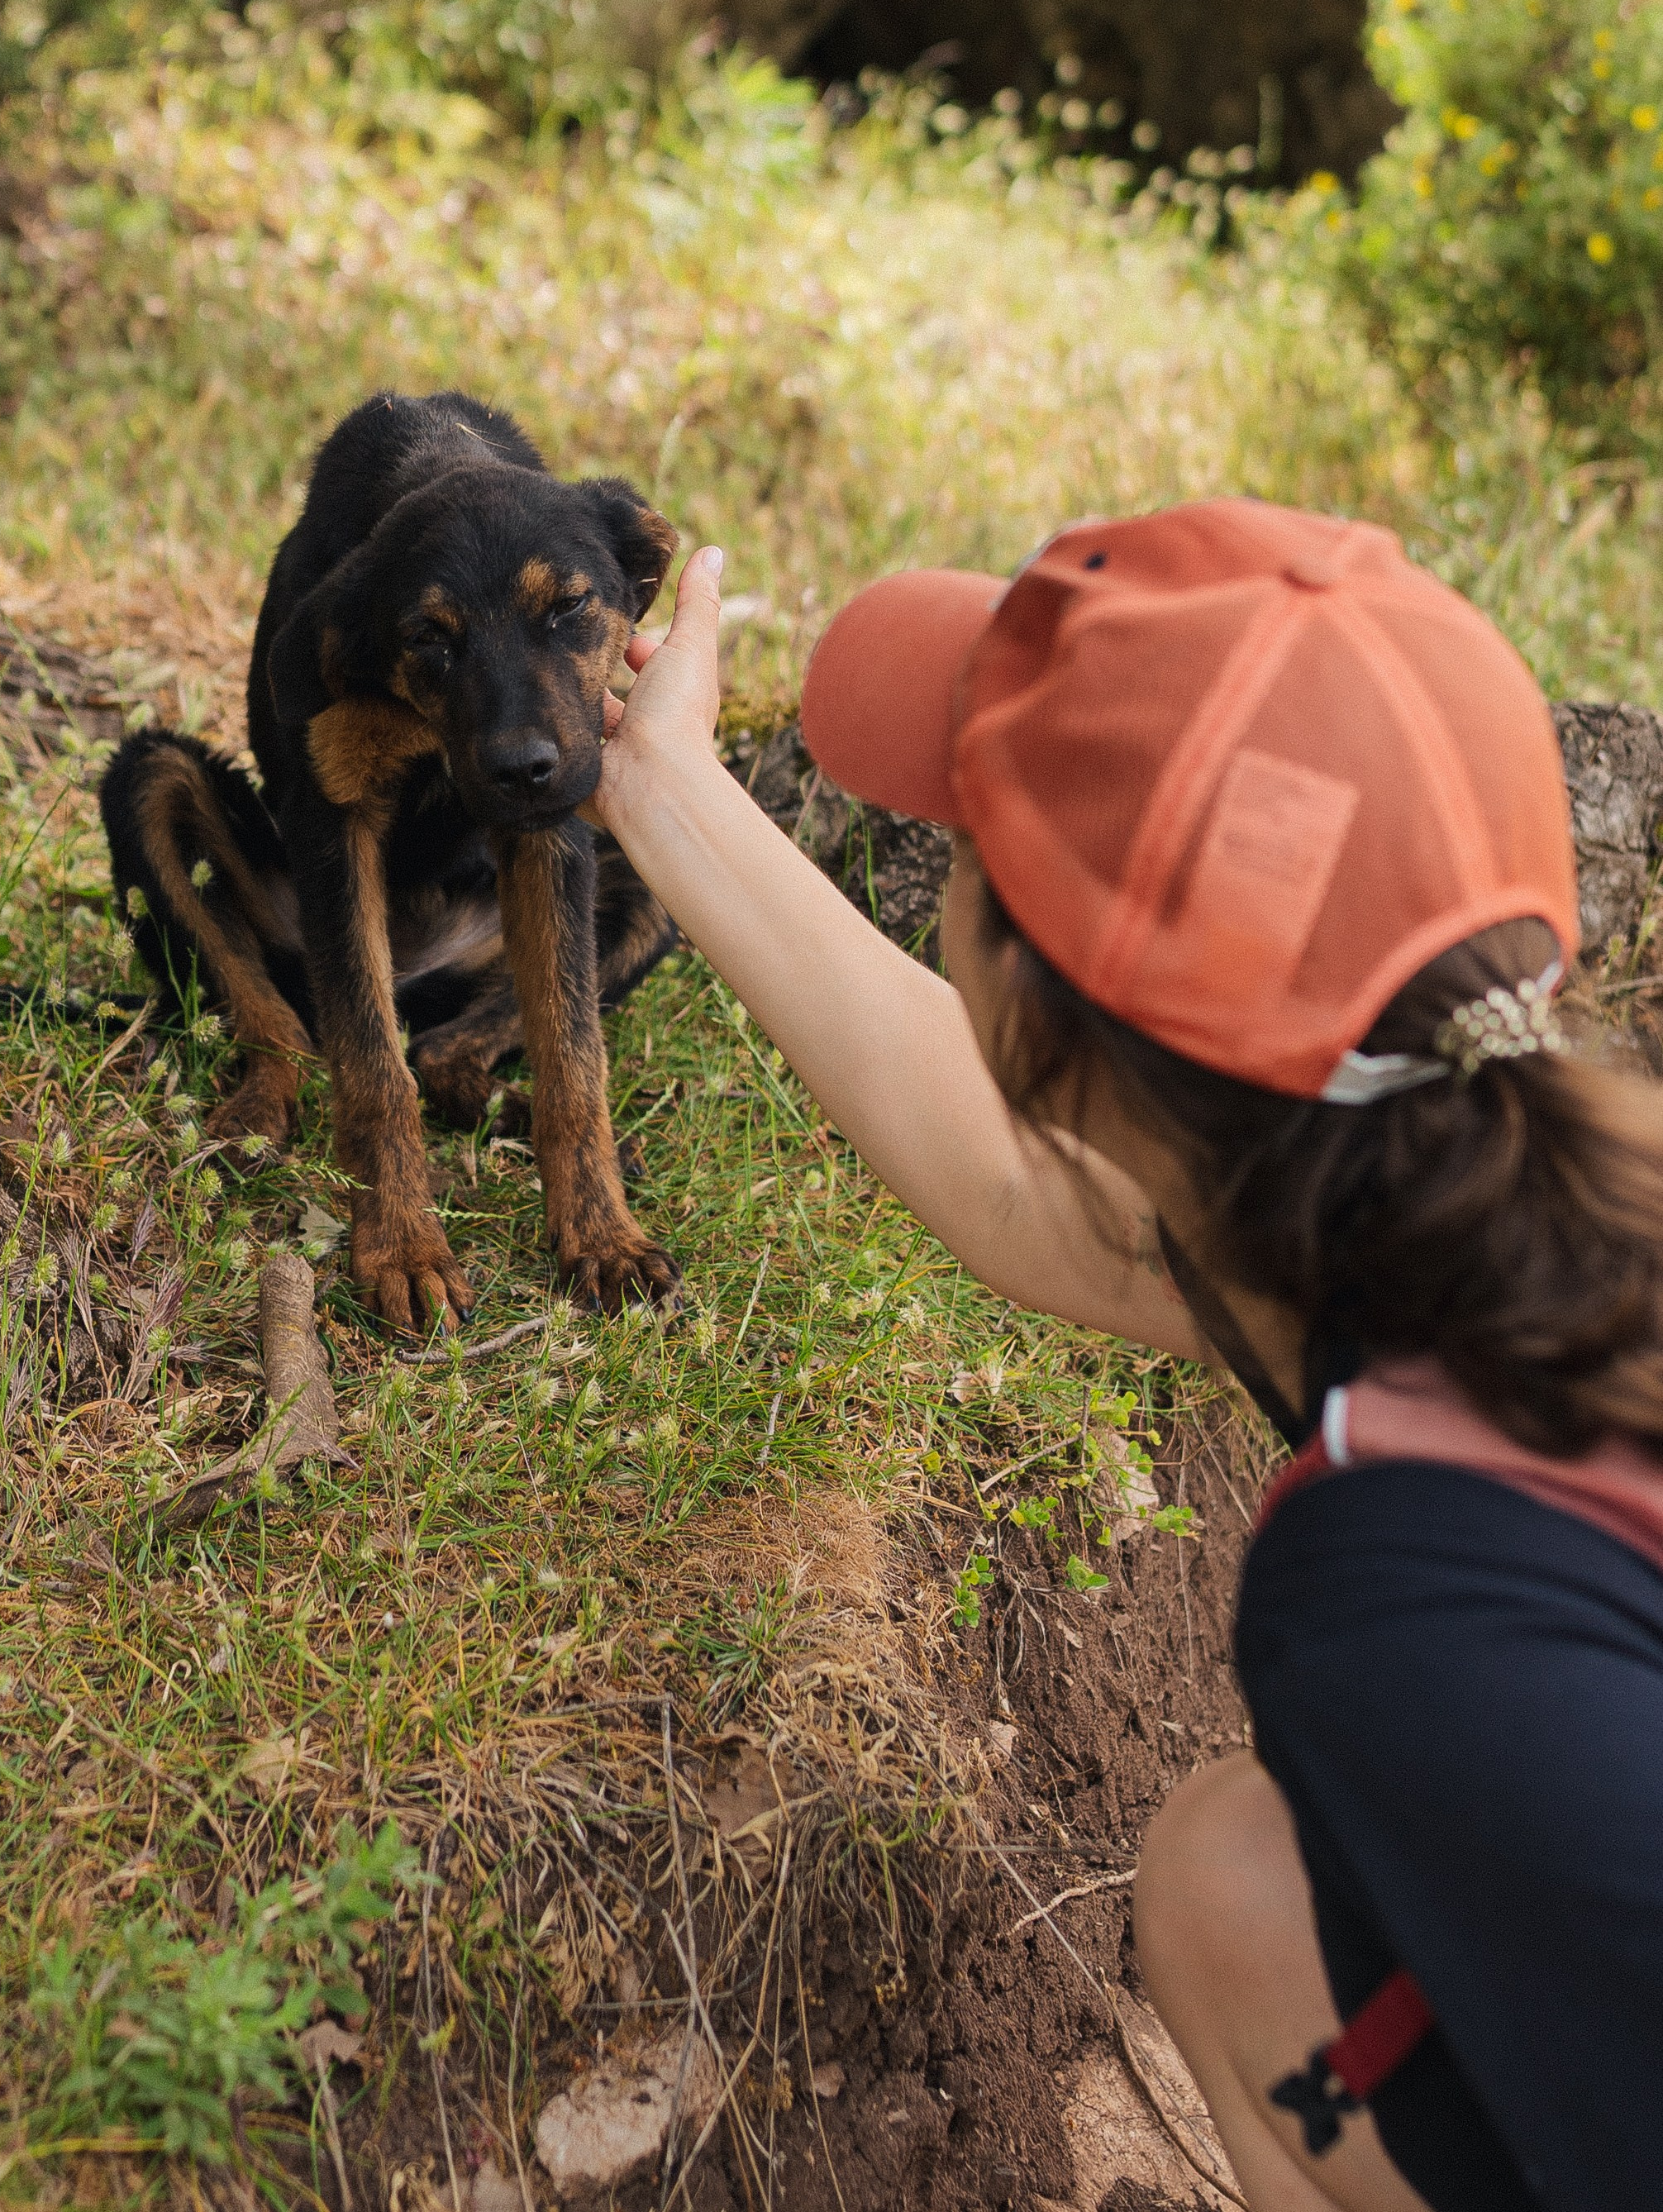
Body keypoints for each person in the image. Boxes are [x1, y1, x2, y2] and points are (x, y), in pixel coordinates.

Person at [588, 497, 1663, 2212]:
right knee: (1237, 1881)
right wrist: (659, 789)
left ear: (1039, 1016)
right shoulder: (1514, 1206)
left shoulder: (1412, 1604)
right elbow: (1031, 1196)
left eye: (970, 833)